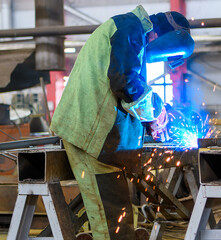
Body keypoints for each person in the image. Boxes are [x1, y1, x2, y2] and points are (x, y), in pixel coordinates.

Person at [50, 5, 194, 240]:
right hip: (91, 136)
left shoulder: (130, 33)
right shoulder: (129, 27)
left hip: (99, 135)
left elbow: (123, 93)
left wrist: (151, 123)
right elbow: (124, 82)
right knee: (112, 223)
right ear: (160, 36)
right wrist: (157, 112)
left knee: (119, 216)